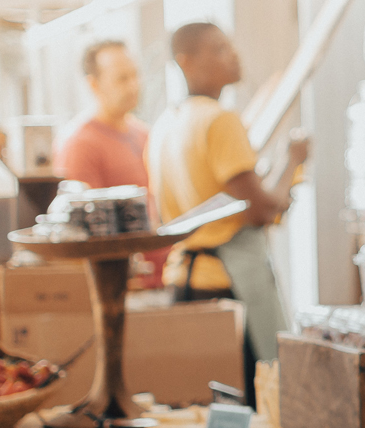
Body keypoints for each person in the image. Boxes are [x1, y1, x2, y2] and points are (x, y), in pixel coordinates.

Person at [147, 22, 307, 386]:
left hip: (184, 283)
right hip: (227, 286)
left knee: (200, 401)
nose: (232, 55)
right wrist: (293, 160)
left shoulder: (165, 126)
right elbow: (263, 208)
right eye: (218, 49)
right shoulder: (219, 120)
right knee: (255, 398)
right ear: (185, 62)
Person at [56, 40, 166, 288]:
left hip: (161, 278)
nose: (133, 86)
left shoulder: (144, 134)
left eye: (135, 76)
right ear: (94, 84)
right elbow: (86, 232)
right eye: (121, 79)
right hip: (123, 287)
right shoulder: (79, 144)